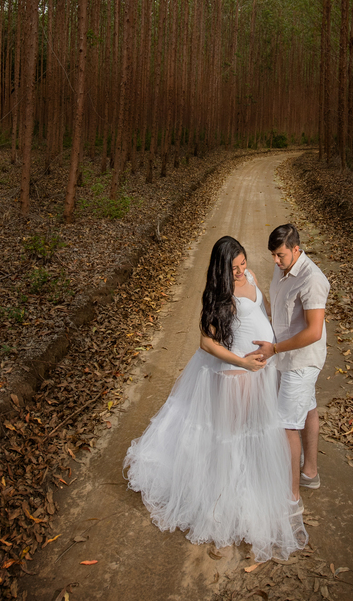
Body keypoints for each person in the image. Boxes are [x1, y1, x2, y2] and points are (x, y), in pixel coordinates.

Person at [124, 236, 307, 562]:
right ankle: (220, 513)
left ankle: (247, 493)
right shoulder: (221, 296)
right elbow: (207, 344)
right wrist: (244, 363)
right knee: (230, 440)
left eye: (243, 264)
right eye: (234, 268)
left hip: (258, 373)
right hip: (236, 374)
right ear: (221, 270)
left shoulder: (249, 277)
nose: (241, 271)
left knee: (254, 434)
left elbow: (260, 311)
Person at [248, 224, 330, 506]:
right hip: (285, 356)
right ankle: (310, 472)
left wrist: (275, 349)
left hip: (301, 361)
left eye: (280, 255)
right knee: (307, 410)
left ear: (296, 249)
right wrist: (257, 292)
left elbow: (314, 331)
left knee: (286, 425)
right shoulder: (280, 267)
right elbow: (279, 311)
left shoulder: (312, 279)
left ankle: (290, 495)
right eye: (273, 254)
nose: (275, 260)